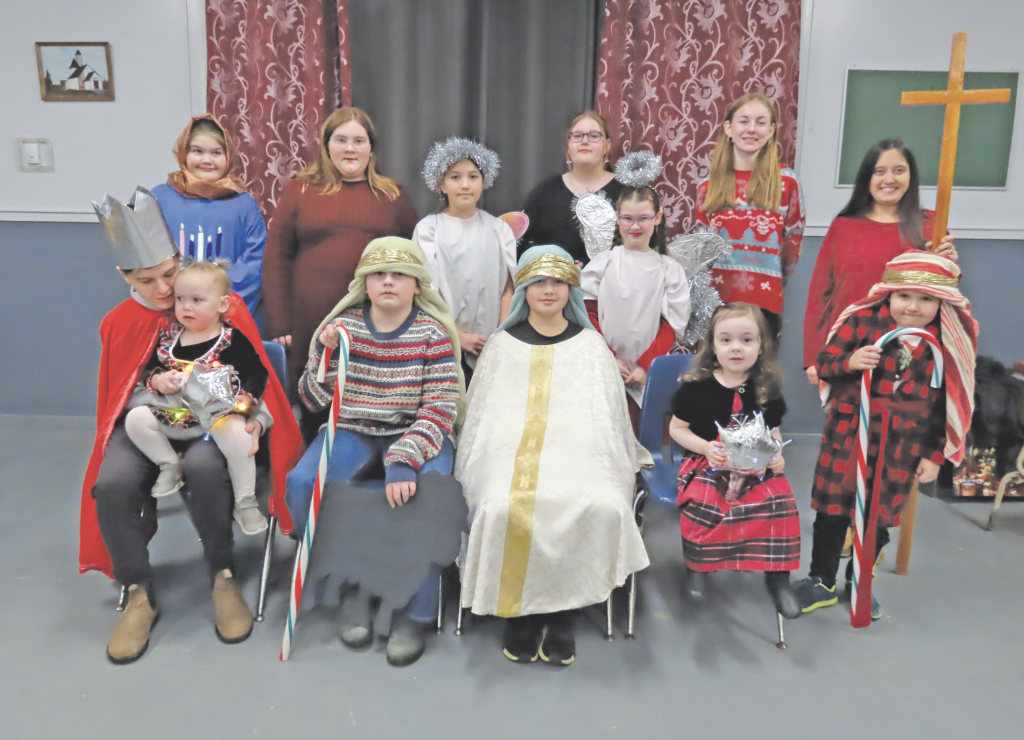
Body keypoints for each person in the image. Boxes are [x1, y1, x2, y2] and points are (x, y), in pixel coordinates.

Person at [83, 188, 302, 665]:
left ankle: (222, 576)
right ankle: (137, 591)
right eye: (149, 280)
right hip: (149, 420)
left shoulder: (218, 306)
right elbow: (118, 395)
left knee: (206, 469)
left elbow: (253, 376)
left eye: (169, 274)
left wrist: (252, 417)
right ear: (125, 276)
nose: (165, 290)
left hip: (209, 421)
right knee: (114, 485)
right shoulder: (119, 322)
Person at [455, 245, 650, 667]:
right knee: (500, 503)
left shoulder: (593, 347)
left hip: (581, 449)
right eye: (538, 281)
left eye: (558, 282)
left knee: (598, 501)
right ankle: (518, 610)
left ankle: (564, 610)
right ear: (523, 288)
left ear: (571, 290)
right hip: (505, 451)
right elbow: (484, 422)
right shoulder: (501, 346)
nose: (548, 290)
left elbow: (606, 420)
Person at [285, 237, 465, 667]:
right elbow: (311, 400)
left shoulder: (431, 333)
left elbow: (441, 405)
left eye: (399, 275)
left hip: (416, 431)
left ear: (417, 286)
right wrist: (326, 357)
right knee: (305, 481)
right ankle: (352, 583)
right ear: (363, 284)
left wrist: (404, 459)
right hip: (354, 428)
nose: (388, 282)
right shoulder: (343, 329)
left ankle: (413, 611)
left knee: (432, 494)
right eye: (378, 274)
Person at [794, 252, 977, 619]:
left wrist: (933, 454)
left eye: (926, 299)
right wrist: (850, 362)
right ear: (889, 294)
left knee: (877, 517)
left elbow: (948, 405)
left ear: (942, 303)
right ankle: (821, 580)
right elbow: (825, 364)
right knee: (833, 511)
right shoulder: (862, 322)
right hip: (849, 435)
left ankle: (860, 581)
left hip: (902, 445)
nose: (913, 307)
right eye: (905, 296)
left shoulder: (945, 342)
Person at [262, 107, 419, 431]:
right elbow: (276, 257)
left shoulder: (392, 194)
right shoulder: (301, 190)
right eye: (341, 140)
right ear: (326, 146)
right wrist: (279, 320)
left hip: (375, 322)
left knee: (368, 400)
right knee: (315, 400)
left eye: (358, 140)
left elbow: (413, 259)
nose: (350, 148)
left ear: (371, 148)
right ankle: (317, 471)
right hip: (309, 320)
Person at [668, 302, 801, 618]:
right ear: (713, 346)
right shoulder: (695, 388)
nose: (736, 348)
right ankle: (698, 566)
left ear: (761, 346)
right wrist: (704, 448)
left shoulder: (767, 387)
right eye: (726, 340)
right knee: (703, 503)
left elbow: (774, 432)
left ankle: (778, 577)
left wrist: (777, 456)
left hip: (755, 465)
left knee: (779, 503)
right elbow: (677, 429)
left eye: (746, 339)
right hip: (708, 462)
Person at [123, 260, 270, 536]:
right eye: (180, 299)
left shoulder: (231, 339)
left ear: (222, 305)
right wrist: (158, 380)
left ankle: (245, 500)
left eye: (196, 300)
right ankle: (169, 464)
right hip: (175, 411)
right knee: (136, 419)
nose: (186, 306)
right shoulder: (170, 340)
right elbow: (149, 370)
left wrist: (247, 400)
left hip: (217, 414)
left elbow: (257, 372)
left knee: (240, 437)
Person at [803, 139, 959, 384]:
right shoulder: (843, 227)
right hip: (848, 350)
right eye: (879, 171)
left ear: (911, 176)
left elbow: (944, 295)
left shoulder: (931, 225)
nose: (889, 179)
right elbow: (820, 296)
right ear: (867, 177)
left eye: (899, 170)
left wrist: (948, 265)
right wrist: (814, 358)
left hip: (911, 352)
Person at [694, 93, 804, 337]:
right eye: (744, 121)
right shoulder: (707, 188)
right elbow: (703, 252)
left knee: (761, 373)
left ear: (772, 130)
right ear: (729, 128)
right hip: (717, 302)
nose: (751, 129)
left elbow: (792, 244)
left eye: (761, 122)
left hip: (765, 302)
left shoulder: (787, 182)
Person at [151, 115, 269, 332]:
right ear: (184, 153)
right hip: (171, 311)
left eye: (216, 153)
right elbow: (148, 253)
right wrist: (175, 294)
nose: (207, 160)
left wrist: (216, 303)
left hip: (226, 315)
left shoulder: (243, 204)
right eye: (198, 151)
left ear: (228, 157)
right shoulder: (160, 198)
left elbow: (255, 260)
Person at [412, 137, 516, 382]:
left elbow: (507, 290)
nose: (465, 185)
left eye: (473, 176)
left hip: (490, 348)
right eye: (455, 177)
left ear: (484, 181)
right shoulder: (428, 230)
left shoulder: (498, 229)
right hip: (441, 345)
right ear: (442, 184)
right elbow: (426, 293)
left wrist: (498, 338)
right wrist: (456, 335)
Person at [582, 183, 691, 416]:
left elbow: (671, 325)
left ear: (657, 217)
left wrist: (646, 367)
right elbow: (587, 314)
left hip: (646, 374)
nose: (635, 226)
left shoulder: (669, 270)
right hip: (605, 368)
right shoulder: (603, 264)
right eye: (627, 218)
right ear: (617, 219)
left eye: (643, 218)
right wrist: (610, 358)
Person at [518, 111, 624, 265]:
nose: (584, 141)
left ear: (607, 146)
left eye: (594, 136)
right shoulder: (544, 194)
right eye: (577, 136)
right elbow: (521, 249)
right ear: (568, 147)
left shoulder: (626, 195)